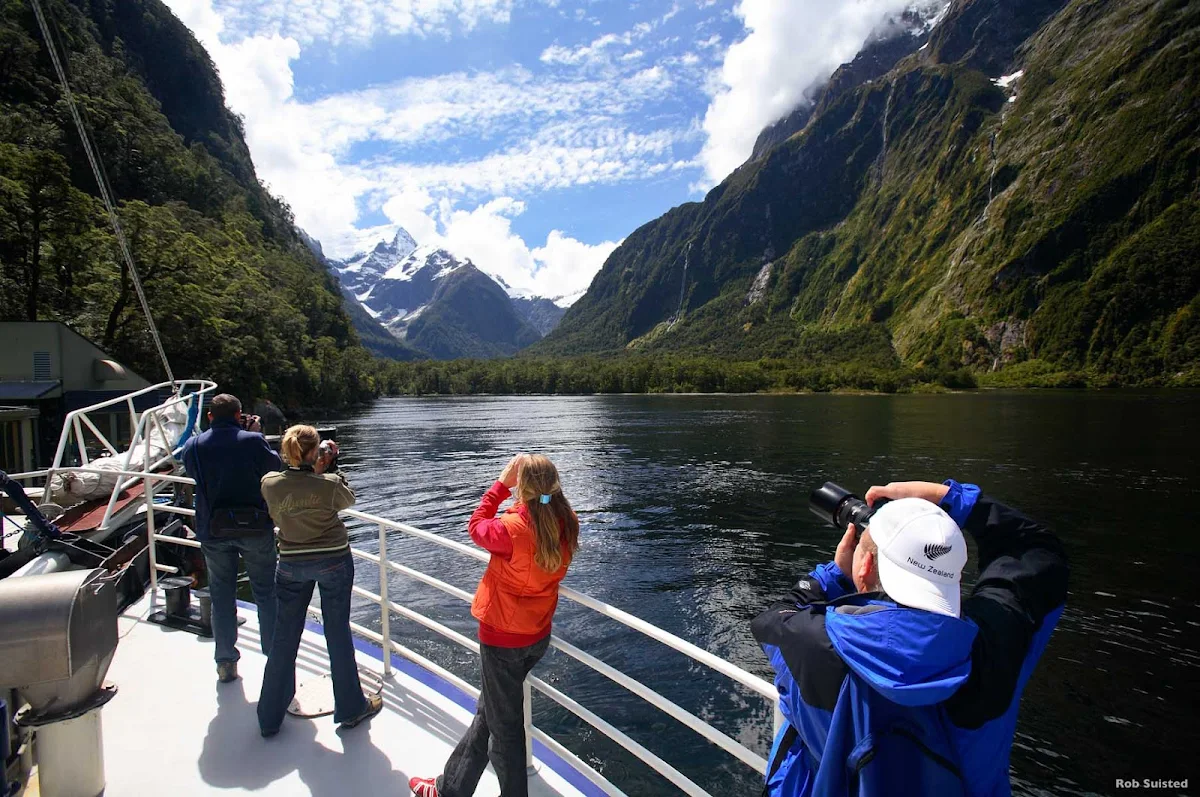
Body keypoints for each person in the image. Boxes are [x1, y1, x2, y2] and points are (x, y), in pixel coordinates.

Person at [751, 479, 1069, 797]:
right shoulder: (996, 642)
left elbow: (773, 619)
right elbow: (1035, 551)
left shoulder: (810, 644)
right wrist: (953, 500)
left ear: (864, 567)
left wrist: (834, 576)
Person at [410, 454, 581, 797]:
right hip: (536, 636)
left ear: (524, 488)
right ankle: (451, 789)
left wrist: (501, 485)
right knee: (490, 713)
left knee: (504, 733)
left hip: (503, 639)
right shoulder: (567, 521)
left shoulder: (512, 529)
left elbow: (475, 525)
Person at [257, 425, 383, 737]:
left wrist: (312, 467)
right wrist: (329, 468)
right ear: (316, 453)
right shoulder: (329, 484)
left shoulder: (269, 483)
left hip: (289, 563)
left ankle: (269, 716)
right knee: (337, 633)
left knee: (284, 638)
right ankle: (351, 708)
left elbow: (288, 489)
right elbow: (347, 499)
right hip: (333, 562)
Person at [180, 393, 284, 683]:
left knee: (222, 595)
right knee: (266, 592)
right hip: (254, 529)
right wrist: (256, 435)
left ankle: (225, 662)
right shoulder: (251, 441)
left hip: (213, 531)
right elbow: (275, 468)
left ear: (210, 417)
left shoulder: (195, 446)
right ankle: (274, 659)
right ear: (240, 416)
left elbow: (192, 471)